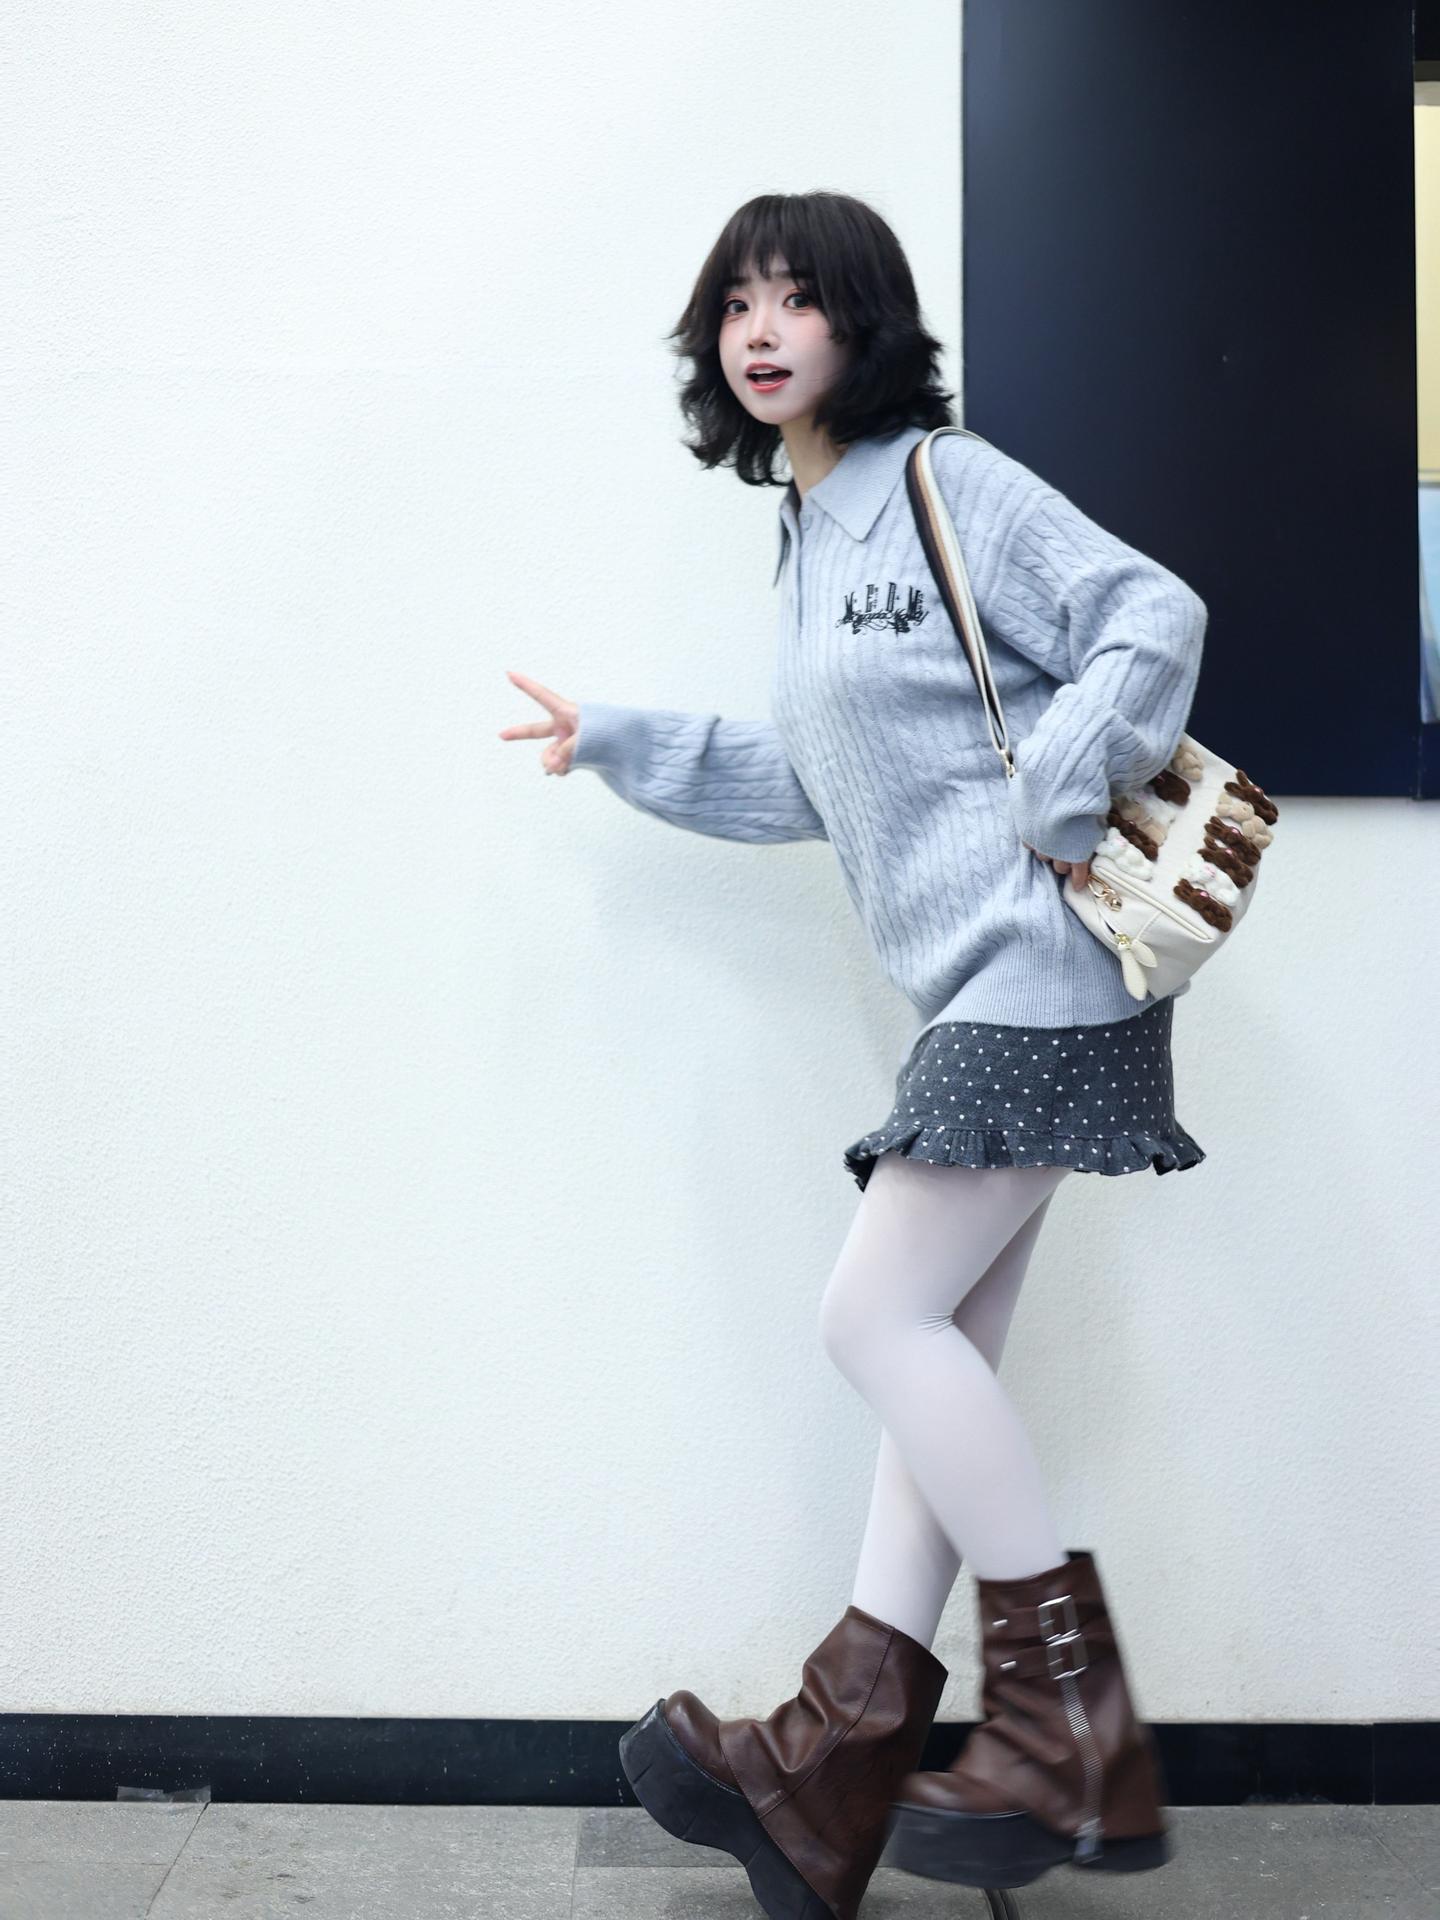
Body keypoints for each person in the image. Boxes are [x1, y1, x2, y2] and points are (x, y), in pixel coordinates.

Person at [499, 190, 1202, 1913]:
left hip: (1043, 972)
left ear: (859, 323)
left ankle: (1073, 1729)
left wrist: (1058, 791)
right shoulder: (810, 535)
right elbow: (818, 781)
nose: (760, 329)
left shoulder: (947, 484)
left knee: (870, 1320)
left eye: (796, 299)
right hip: (972, 988)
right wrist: (619, 740)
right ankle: (838, 1765)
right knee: (933, 1354)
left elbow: (1152, 613)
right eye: (737, 302)